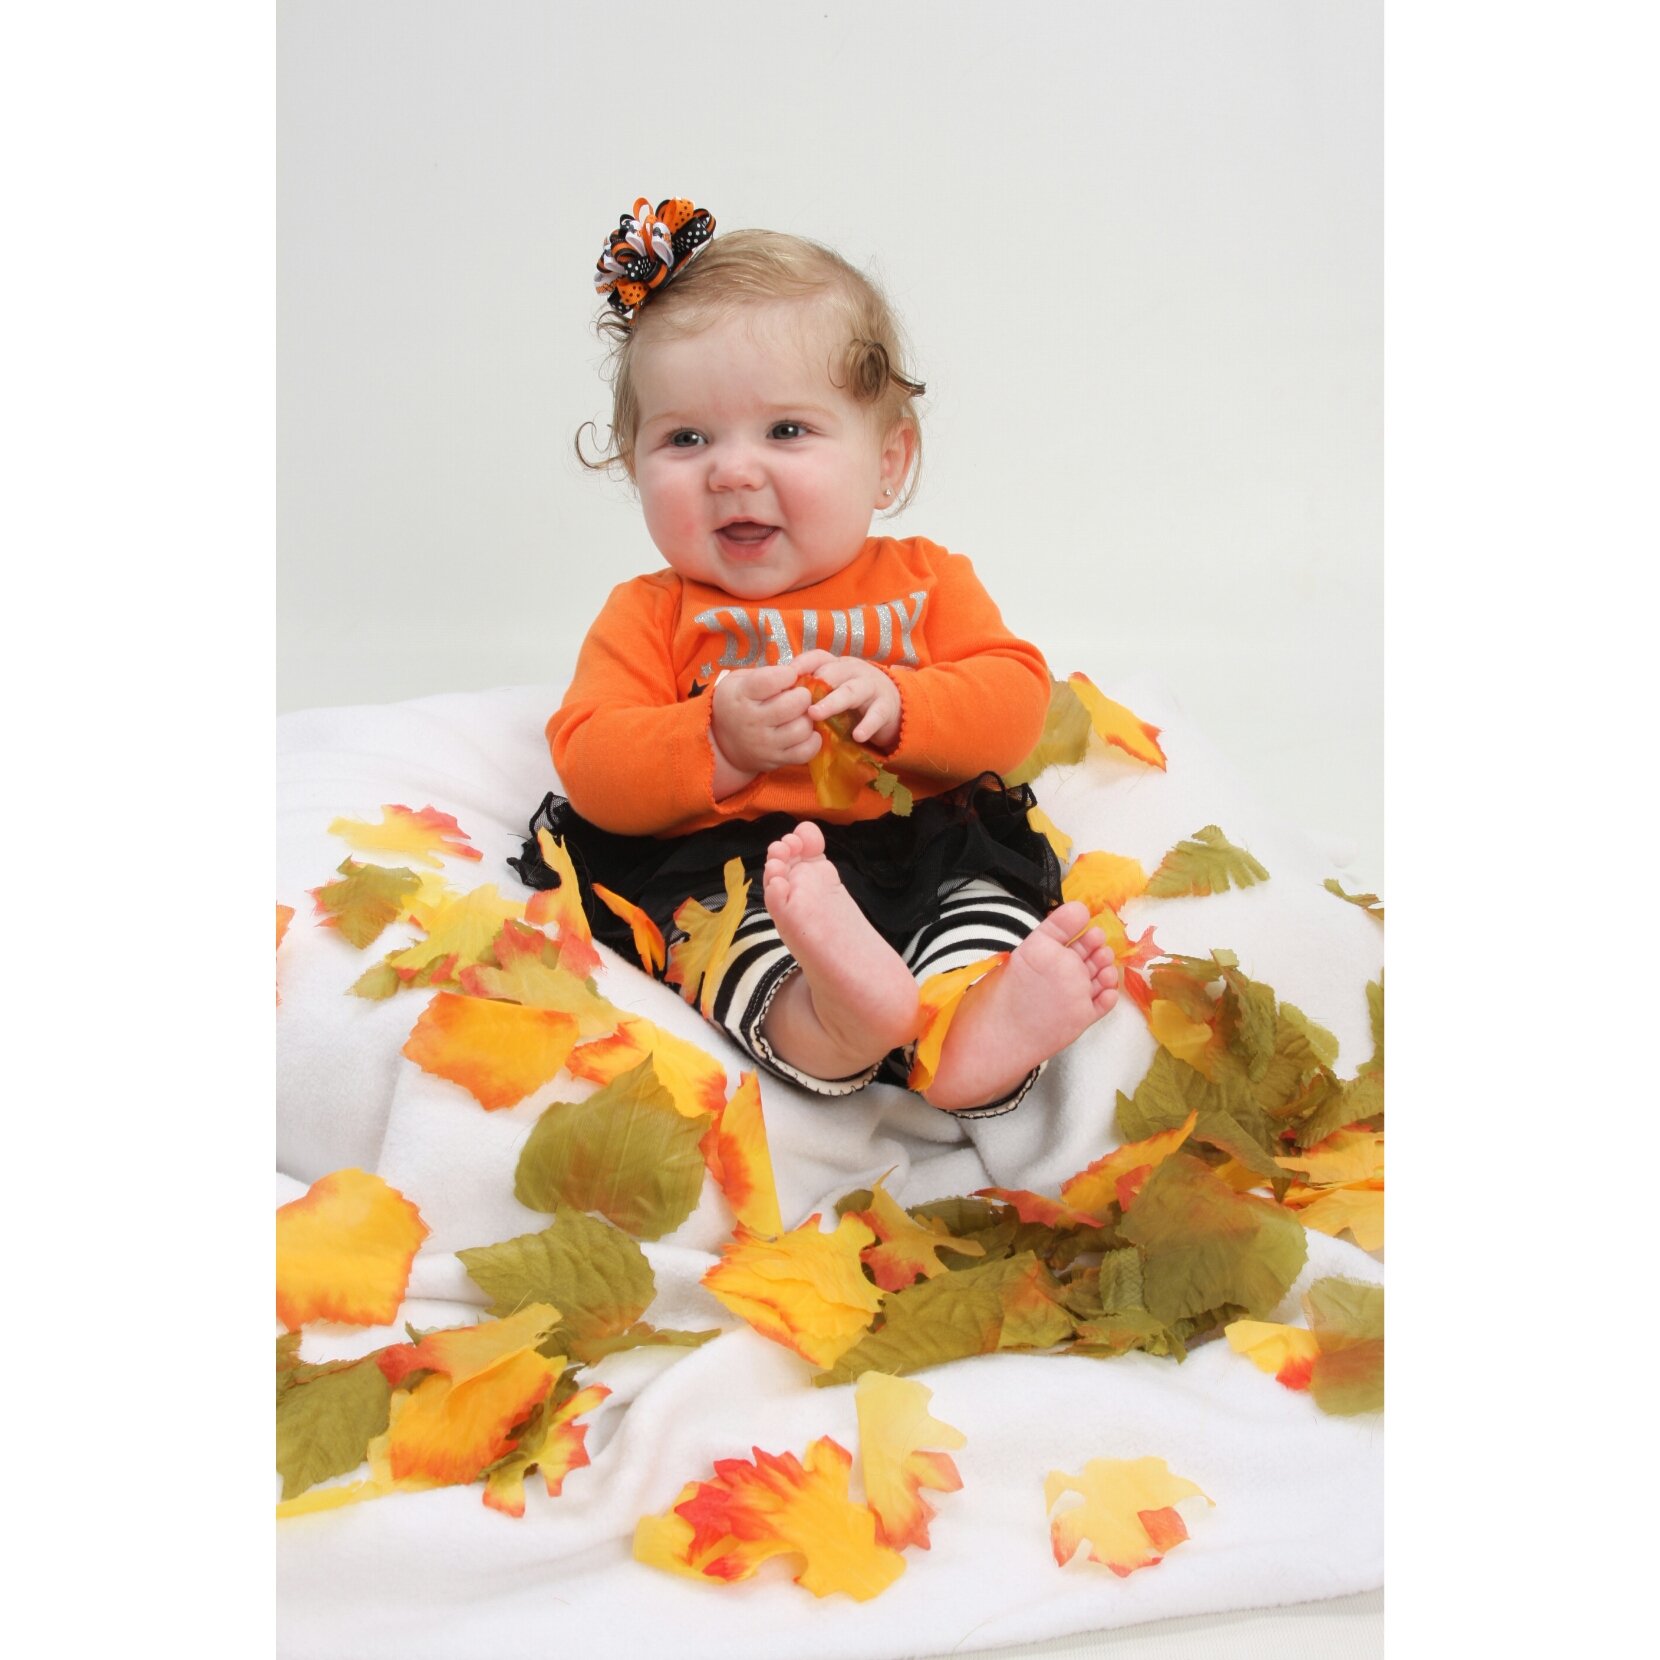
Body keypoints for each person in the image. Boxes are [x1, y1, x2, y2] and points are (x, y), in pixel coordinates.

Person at [513, 197, 1118, 1117]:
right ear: (633, 465)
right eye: (685, 438)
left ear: (888, 461)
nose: (731, 471)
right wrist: (714, 739)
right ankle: (832, 1017)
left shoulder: (927, 581)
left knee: (979, 908)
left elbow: (1011, 699)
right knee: (726, 945)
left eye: (787, 431)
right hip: (733, 869)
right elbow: (593, 760)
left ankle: (974, 1034)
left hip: (920, 840)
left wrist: (906, 703)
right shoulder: (652, 613)